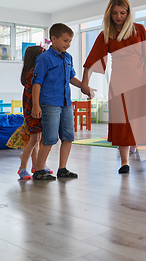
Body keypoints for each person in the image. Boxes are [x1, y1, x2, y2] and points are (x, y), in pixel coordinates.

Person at [81, 0, 146, 174]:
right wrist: (85, 82)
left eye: (122, 13)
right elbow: (93, 60)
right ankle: (124, 162)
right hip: (120, 82)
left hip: (142, 81)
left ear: (128, 13)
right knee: (123, 120)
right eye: (114, 13)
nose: (118, 16)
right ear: (109, 14)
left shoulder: (140, 29)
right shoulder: (107, 34)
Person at [31, 23, 88, 180]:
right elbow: (37, 83)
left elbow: (71, 78)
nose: (68, 44)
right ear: (53, 39)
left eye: (70, 41)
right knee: (49, 139)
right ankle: (39, 170)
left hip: (66, 104)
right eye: (65, 40)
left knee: (68, 136)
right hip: (50, 104)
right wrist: (36, 105)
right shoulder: (43, 59)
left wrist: (85, 87)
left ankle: (62, 168)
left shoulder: (68, 57)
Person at [8, 46, 53, 180]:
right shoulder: (33, 73)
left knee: (37, 139)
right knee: (34, 139)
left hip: (34, 110)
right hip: (33, 111)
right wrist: (35, 108)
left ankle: (35, 165)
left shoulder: (32, 72)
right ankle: (22, 168)